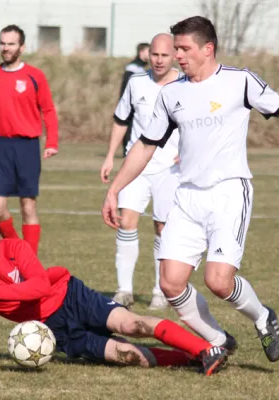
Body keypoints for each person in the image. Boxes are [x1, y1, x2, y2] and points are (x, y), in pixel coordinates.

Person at [102, 16, 279, 363]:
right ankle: (219, 340)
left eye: (184, 49)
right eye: (176, 49)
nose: (177, 55)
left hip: (228, 193)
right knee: (170, 284)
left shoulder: (240, 82)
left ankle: (263, 317)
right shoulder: (172, 94)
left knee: (219, 282)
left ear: (207, 48)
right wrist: (115, 189)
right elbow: (145, 145)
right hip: (187, 196)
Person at [0, 197, 230, 376]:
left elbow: (39, 288)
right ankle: (189, 358)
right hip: (54, 329)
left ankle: (206, 350)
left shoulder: (16, 249)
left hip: (71, 297)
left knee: (132, 325)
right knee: (128, 356)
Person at [101, 33, 181, 310]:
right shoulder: (136, 82)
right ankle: (124, 290)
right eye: (154, 55)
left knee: (162, 227)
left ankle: (160, 291)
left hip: (170, 169)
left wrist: (188, 151)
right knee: (126, 223)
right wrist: (111, 156)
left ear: (174, 56)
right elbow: (121, 120)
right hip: (136, 167)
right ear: (148, 54)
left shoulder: (185, 85)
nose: (159, 60)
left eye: (164, 55)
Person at [0, 24, 59, 255]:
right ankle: (18, 249)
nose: (6, 48)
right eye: (3, 43)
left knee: (28, 206)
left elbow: (48, 110)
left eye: (11, 44)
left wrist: (52, 142)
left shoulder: (35, 76)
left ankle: (30, 261)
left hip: (27, 147)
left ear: (22, 47)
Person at [119, 42, 150, 157]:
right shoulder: (133, 68)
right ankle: (127, 151)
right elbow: (127, 88)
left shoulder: (141, 68)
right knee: (128, 126)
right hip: (131, 103)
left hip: (138, 102)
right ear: (141, 52)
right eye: (148, 51)